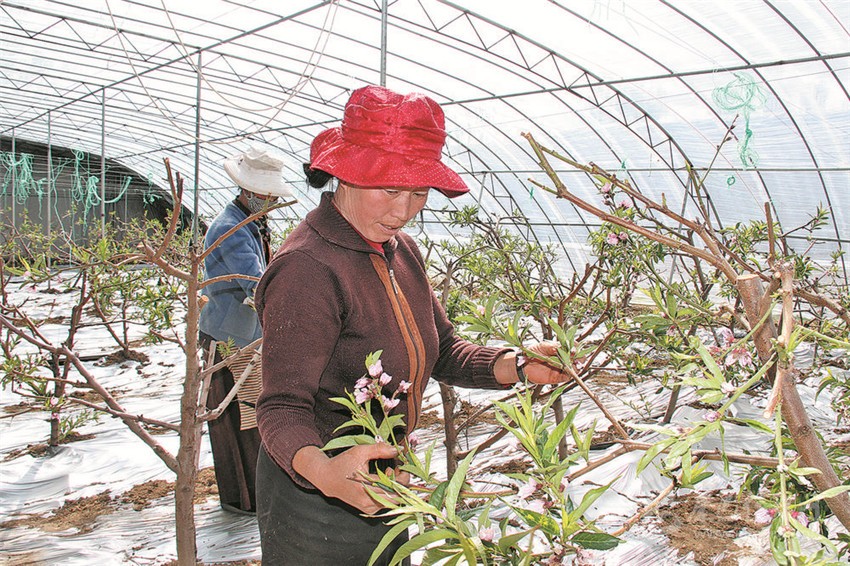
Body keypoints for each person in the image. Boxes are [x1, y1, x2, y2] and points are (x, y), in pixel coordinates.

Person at [253, 85, 571, 564]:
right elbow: (281, 407)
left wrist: (519, 365)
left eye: (418, 192)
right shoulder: (309, 269)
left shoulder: (399, 251)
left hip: (386, 480)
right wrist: (326, 473)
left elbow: (441, 348)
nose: (403, 211)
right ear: (346, 175)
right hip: (317, 503)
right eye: (390, 189)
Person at [198, 146, 293, 514]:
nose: (272, 203)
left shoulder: (249, 222)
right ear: (250, 192)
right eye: (268, 196)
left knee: (248, 415)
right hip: (229, 339)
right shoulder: (231, 229)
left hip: (241, 334)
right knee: (241, 418)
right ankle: (246, 499)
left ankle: (253, 495)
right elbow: (255, 283)